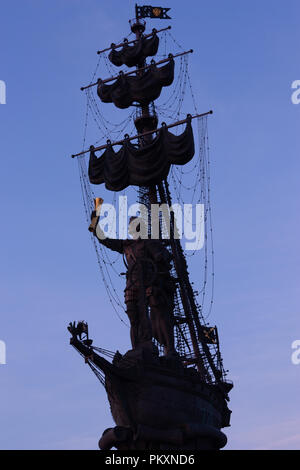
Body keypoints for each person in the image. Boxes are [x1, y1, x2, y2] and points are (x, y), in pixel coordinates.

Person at [90, 211, 176, 354]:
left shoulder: (149, 242)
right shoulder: (126, 245)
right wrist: (96, 224)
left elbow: (164, 256)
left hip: (148, 282)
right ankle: (137, 348)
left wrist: (160, 256)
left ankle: (168, 347)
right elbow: (104, 239)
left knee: (156, 309)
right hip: (132, 283)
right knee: (134, 318)